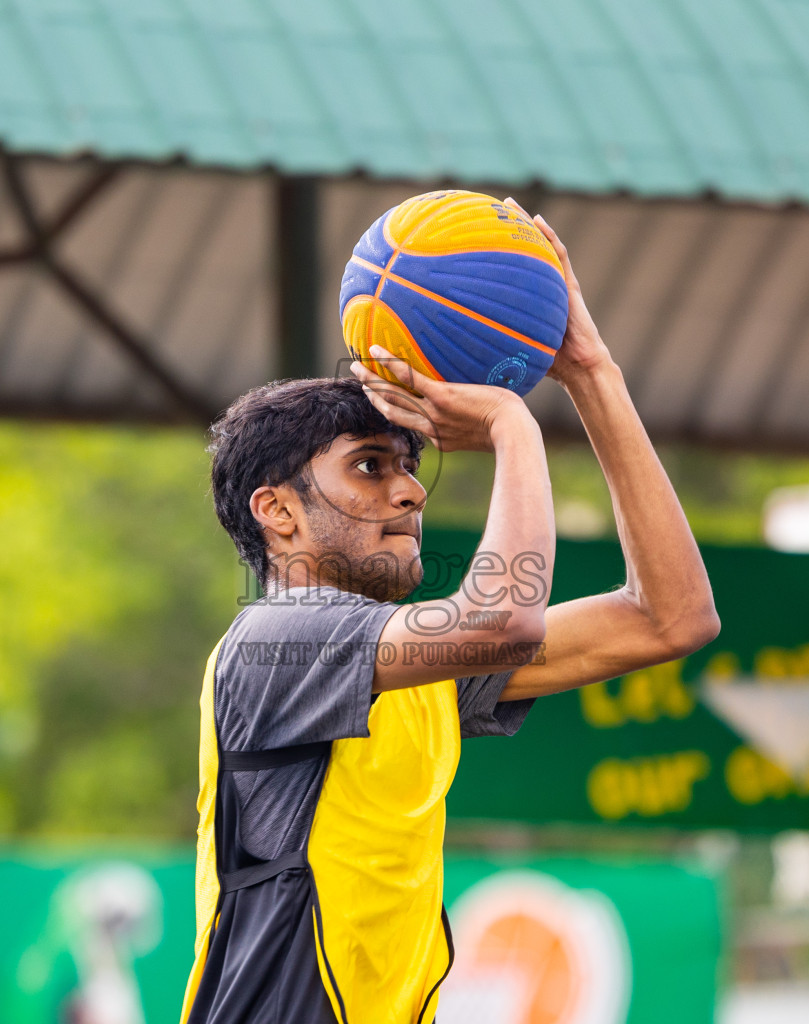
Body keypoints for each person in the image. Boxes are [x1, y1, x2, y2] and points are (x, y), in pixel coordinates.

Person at [181, 205, 719, 1023]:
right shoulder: (271, 643)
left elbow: (671, 619)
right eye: (369, 467)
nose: (410, 491)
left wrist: (591, 373)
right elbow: (499, 618)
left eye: (409, 465)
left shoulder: (417, 672)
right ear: (277, 512)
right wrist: (512, 423)